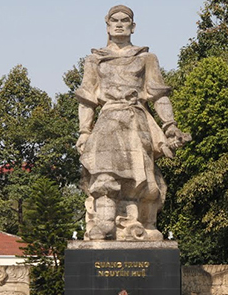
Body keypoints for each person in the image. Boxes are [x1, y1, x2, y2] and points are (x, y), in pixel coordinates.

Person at [75, 5, 190, 241]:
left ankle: (142, 225)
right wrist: (84, 132)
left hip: (136, 122)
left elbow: (158, 94)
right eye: (114, 20)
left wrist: (170, 126)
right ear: (107, 26)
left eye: (124, 20)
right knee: (104, 172)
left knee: (143, 180)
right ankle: (105, 223)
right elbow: (87, 98)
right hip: (107, 121)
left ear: (133, 26)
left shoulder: (146, 58)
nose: (119, 24)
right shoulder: (94, 60)